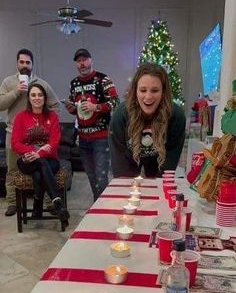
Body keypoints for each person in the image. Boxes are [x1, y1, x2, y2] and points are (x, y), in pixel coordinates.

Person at [0, 48, 60, 216]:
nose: (25, 65)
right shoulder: (8, 82)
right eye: (22, 62)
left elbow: (55, 105)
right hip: (14, 133)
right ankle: (12, 202)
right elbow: (0, 104)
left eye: (28, 62)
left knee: (43, 165)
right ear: (17, 63)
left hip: (39, 136)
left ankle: (49, 202)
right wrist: (17, 91)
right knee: (12, 170)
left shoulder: (42, 84)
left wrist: (48, 121)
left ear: (32, 64)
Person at [109, 63, 186, 178]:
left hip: (160, 160)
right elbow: (120, 169)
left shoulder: (176, 116)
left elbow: (169, 165)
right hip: (129, 159)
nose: (148, 97)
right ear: (135, 91)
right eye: (143, 90)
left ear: (163, 92)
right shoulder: (120, 116)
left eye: (155, 90)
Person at [65, 48, 119, 201]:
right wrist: (71, 109)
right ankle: (98, 208)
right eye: (78, 61)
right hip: (83, 139)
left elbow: (115, 102)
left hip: (101, 138)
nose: (82, 63)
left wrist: (96, 107)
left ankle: (102, 211)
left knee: (101, 177)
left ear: (91, 60)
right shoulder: (74, 83)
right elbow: (76, 108)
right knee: (91, 176)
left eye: (84, 59)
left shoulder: (103, 79)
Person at [11, 83, 69, 225]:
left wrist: (40, 153)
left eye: (40, 95)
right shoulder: (20, 117)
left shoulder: (52, 116)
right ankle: (58, 203)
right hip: (27, 160)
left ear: (45, 97)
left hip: (50, 160)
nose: (37, 98)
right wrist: (32, 152)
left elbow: (55, 141)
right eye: (33, 95)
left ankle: (38, 205)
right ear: (29, 98)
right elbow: (15, 143)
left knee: (39, 172)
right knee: (39, 164)